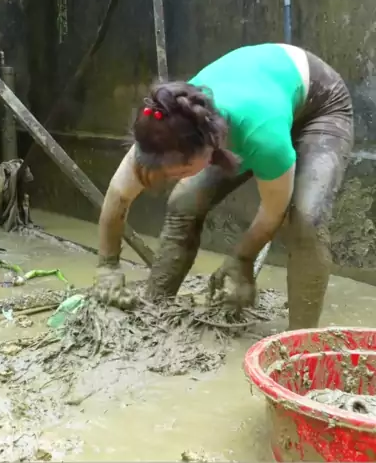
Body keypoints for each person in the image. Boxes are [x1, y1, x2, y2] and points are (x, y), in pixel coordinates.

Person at [94, 43, 354, 329]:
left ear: (208, 147)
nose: (172, 178)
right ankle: (155, 311)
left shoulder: (262, 138)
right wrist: (107, 266)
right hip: (262, 102)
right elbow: (118, 195)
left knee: (307, 219)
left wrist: (243, 258)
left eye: (180, 171)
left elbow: (273, 212)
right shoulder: (166, 124)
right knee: (183, 202)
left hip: (319, 105)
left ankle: (299, 342)